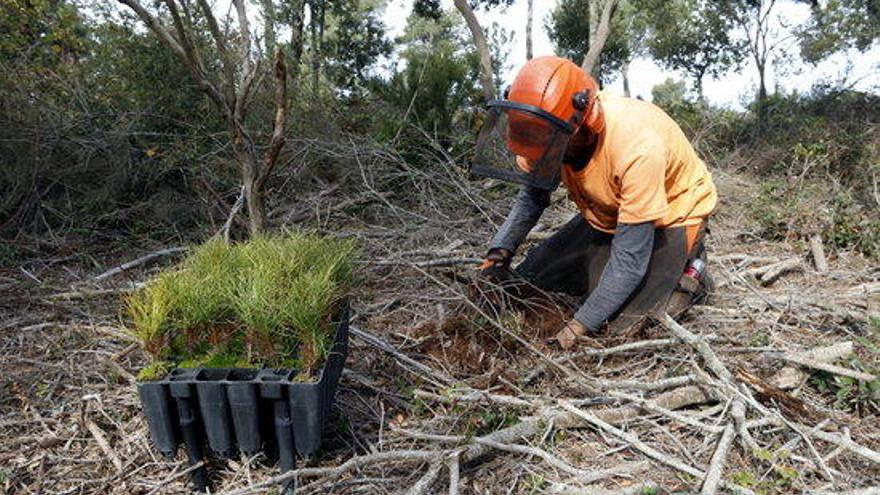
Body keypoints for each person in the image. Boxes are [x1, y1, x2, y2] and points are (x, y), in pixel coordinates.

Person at [479, 56, 717, 349]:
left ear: (585, 122)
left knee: (622, 325)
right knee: (529, 282)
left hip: (671, 215)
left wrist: (575, 329)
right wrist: (496, 257)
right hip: (611, 211)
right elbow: (531, 200)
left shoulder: (635, 147)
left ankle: (692, 272)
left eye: (551, 143)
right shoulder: (543, 128)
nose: (544, 152)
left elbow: (629, 263)